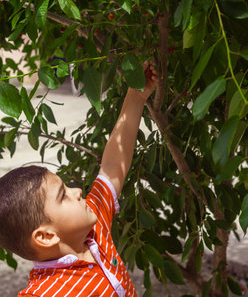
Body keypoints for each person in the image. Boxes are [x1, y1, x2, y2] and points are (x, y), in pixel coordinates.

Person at [0, 61, 158, 296]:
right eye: (63, 196)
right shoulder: (46, 292)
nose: (77, 191)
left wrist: (135, 97)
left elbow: (113, 167)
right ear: (46, 236)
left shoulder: (94, 231)